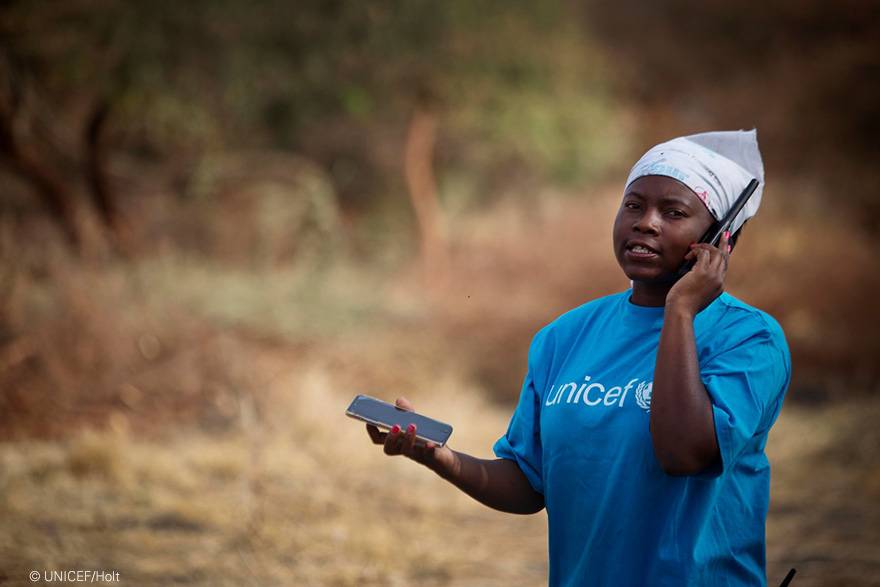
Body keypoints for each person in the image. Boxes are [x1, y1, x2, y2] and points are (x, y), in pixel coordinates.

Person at [365, 130, 791, 586]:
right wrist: (441, 458)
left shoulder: (749, 339)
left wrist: (681, 310)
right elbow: (529, 482)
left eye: (674, 212)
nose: (645, 223)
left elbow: (683, 453)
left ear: (721, 239)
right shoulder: (564, 337)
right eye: (633, 205)